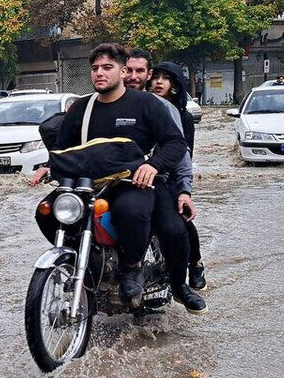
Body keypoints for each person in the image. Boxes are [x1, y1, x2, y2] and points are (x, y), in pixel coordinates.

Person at [30, 44, 201, 313]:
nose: (99, 73)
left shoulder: (147, 104)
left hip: (134, 182)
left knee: (147, 217)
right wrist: (48, 166)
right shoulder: (81, 108)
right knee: (47, 211)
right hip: (89, 182)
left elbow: (175, 144)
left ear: (122, 72)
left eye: (107, 67)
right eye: (95, 68)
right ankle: (83, 260)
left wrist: (155, 166)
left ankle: (139, 269)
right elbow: (63, 148)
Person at [125, 50, 206, 308]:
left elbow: (181, 152)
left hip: (159, 178)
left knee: (175, 226)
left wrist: (183, 190)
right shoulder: (96, 103)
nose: (133, 76)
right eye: (129, 70)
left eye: (140, 71)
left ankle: (182, 278)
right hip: (112, 181)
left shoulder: (166, 109)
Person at [150, 63, 207, 293]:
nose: (159, 82)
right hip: (144, 173)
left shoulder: (182, 116)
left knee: (182, 218)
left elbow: (184, 153)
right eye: (155, 77)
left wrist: (182, 187)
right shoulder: (142, 106)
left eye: (165, 78)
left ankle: (195, 264)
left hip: (170, 174)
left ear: (174, 85)